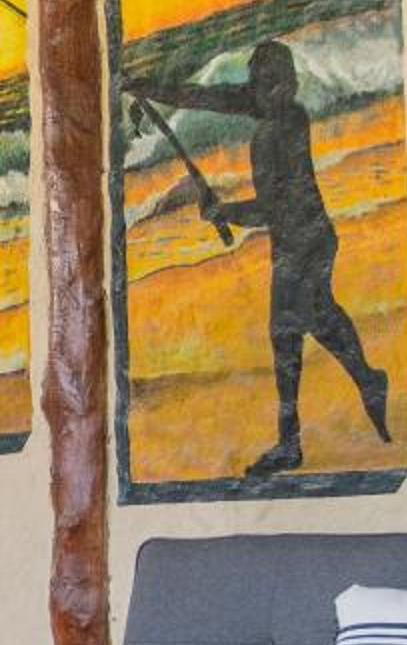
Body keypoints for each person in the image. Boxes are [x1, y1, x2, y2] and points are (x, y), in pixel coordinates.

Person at [144, 38, 388, 476]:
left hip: (305, 244)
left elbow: (276, 208)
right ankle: (367, 382)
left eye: (270, 81)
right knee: (318, 320)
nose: (262, 90)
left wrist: (227, 213)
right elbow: (206, 96)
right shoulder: (275, 112)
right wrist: (144, 87)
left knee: (288, 335)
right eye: (258, 81)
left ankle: (293, 440)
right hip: (301, 242)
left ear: (284, 84)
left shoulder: (283, 128)